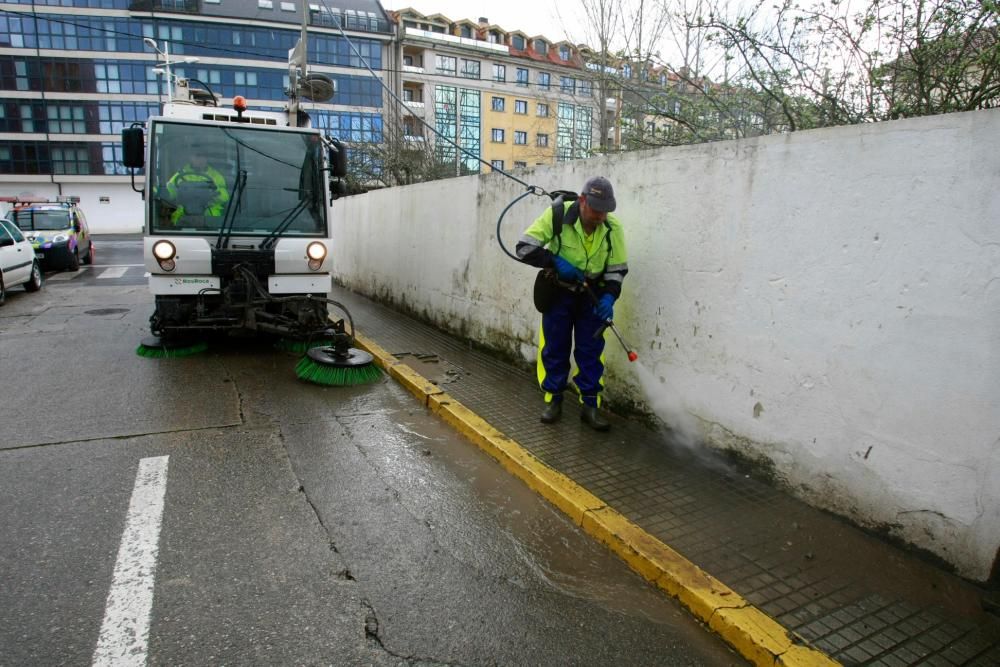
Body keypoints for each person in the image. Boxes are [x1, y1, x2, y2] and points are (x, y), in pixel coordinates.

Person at [515, 176, 629, 431]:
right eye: (595, 209)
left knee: (591, 351)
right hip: (559, 293)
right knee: (555, 347)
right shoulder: (557, 214)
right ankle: (553, 400)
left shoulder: (613, 229)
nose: (600, 216)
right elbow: (523, 247)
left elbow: (617, 270)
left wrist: (610, 296)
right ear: (582, 201)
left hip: (593, 295)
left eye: (605, 211)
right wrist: (554, 261)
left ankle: (590, 406)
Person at [163, 148, 229, 225]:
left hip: (209, 209)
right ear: (190, 158)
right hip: (185, 210)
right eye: (197, 156)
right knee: (176, 218)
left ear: (206, 158)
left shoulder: (216, 176)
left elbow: (225, 197)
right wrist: (160, 192)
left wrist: (215, 192)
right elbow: (170, 191)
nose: (200, 159)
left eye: (203, 156)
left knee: (214, 219)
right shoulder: (180, 174)